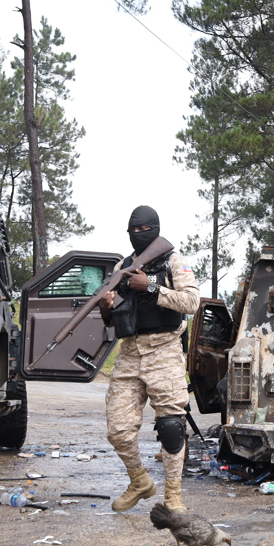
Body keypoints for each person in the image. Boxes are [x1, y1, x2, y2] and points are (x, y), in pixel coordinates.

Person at [98, 206, 200, 513]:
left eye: (145, 230)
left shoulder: (173, 261)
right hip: (130, 353)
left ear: (156, 229)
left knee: (171, 426)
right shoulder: (122, 266)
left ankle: (173, 496)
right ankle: (140, 481)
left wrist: (152, 287)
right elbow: (111, 319)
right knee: (117, 429)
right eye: (134, 231)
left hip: (165, 350)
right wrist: (106, 306)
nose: (139, 235)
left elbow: (192, 301)